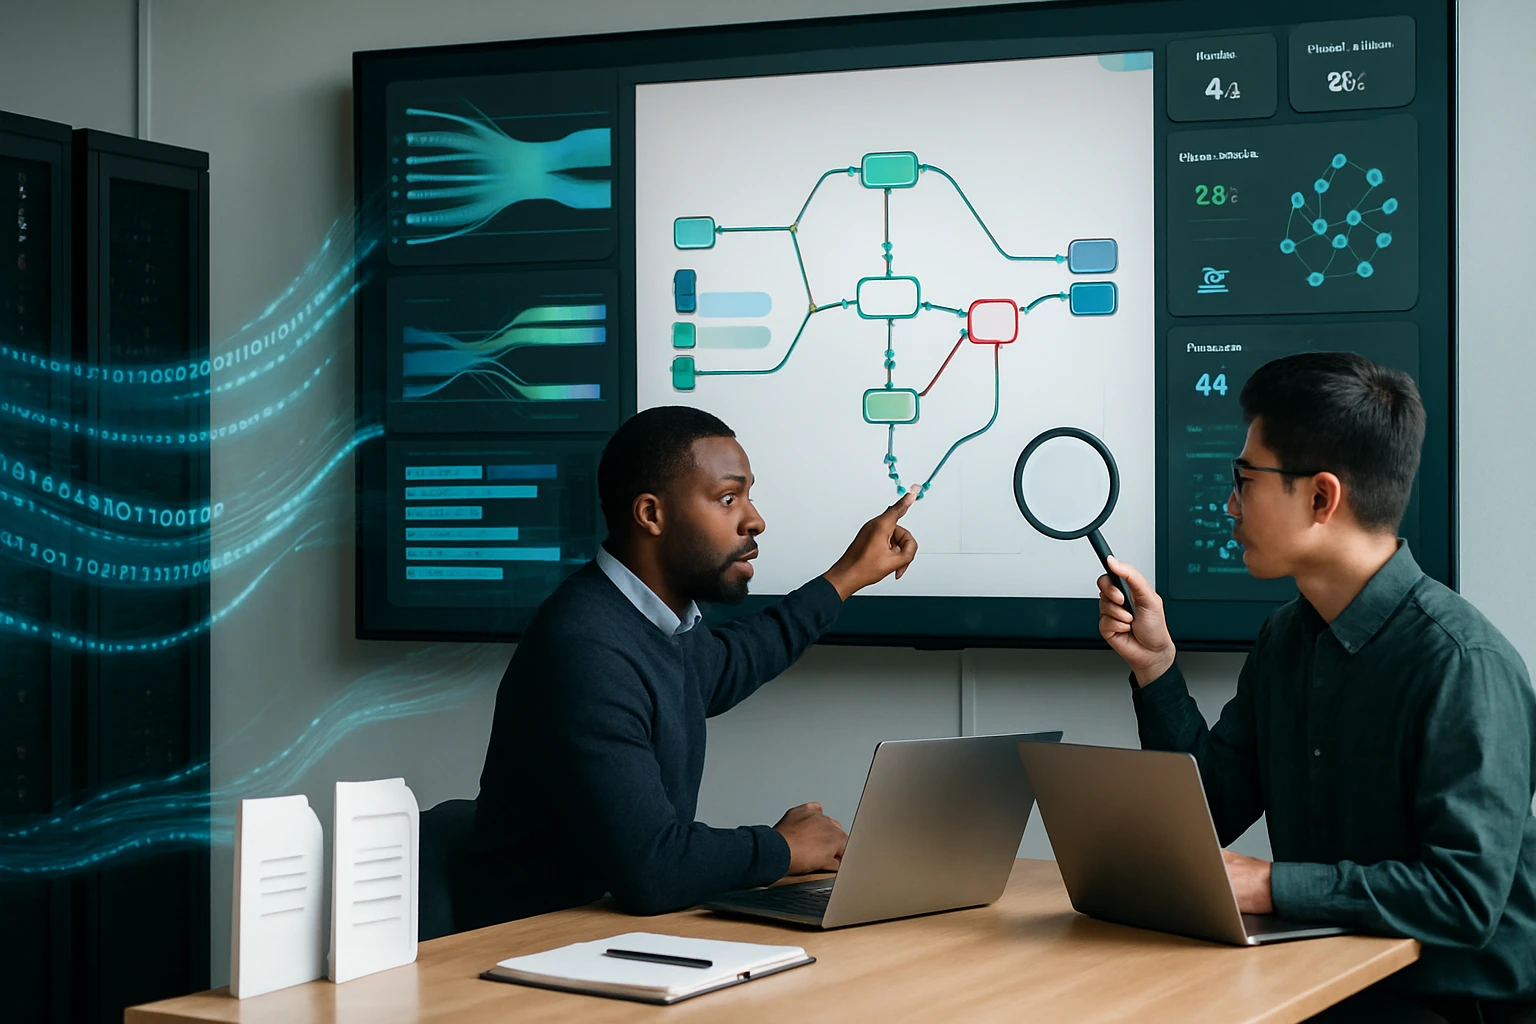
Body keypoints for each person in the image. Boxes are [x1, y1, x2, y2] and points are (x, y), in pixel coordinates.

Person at [1097, 353, 1536, 1024]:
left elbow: (1462, 899)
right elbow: (1208, 811)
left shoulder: (1462, 663)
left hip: (1454, 1006)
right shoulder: (1286, 639)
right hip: (1323, 981)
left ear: (1322, 498)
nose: (1229, 504)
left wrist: (1270, 884)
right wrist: (1156, 665)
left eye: (1245, 480)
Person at [463, 405, 918, 927]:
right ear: (651, 515)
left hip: (612, 932)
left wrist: (845, 577)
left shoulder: (654, 623)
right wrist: (781, 849)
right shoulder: (586, 648)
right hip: (530, 951)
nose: (755, 519)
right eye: (729, 498)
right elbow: (652, 867)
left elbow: (731, 661)